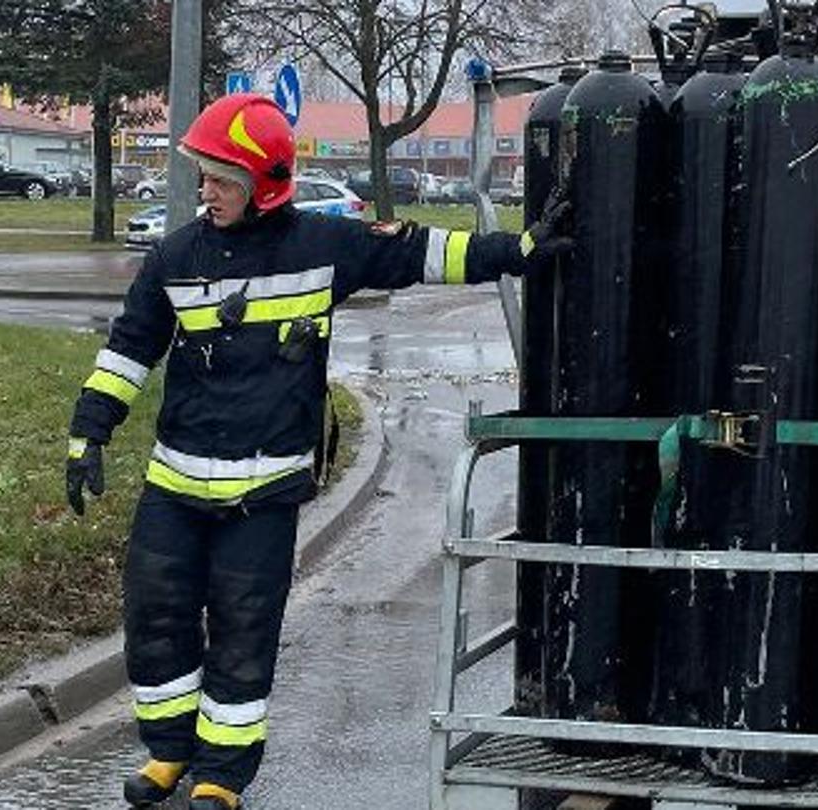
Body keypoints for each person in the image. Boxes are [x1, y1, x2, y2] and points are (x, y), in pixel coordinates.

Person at [64, 92, 571, 810]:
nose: (205, 191)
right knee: (157, 620)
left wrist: (514, 252)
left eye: (220, 179)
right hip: (173, 487)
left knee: (244, 628)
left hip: (264, 494)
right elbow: (128, 350)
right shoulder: (176, 257)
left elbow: (418, 254)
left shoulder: (320, 248)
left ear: (262, 184)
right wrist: (89, 434)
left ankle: (223, 772)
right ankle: (168, 754)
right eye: (203, 177)